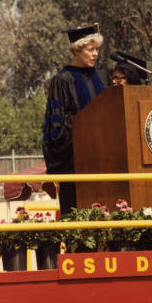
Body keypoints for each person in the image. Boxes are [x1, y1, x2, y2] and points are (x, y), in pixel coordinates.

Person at [42, 23, 110, 215]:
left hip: (106, 159)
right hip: (75, 162)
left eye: (97, 49)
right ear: (77, 50)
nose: (95, 54)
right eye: (90, 50)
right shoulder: (63, 80)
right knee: (76, 214)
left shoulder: (103, 77)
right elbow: (56, 124)